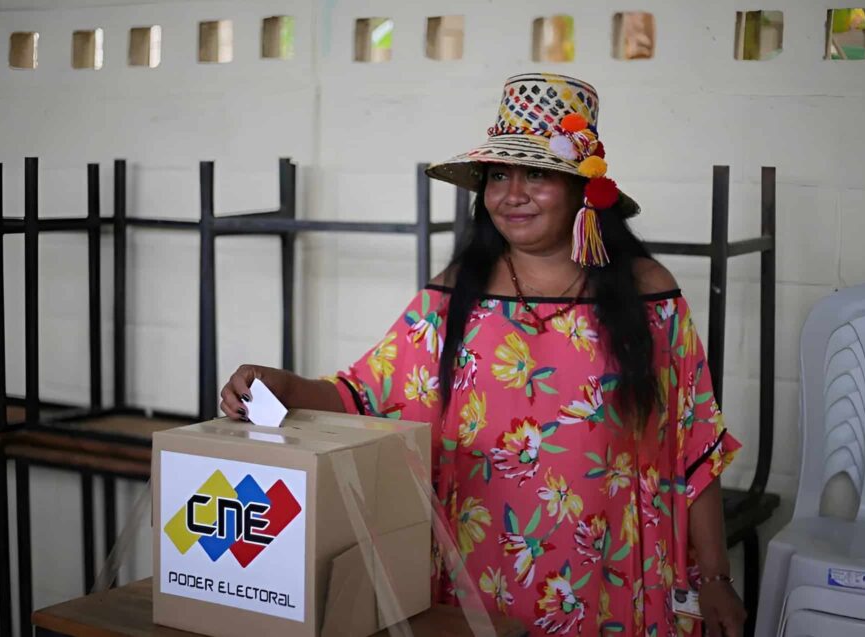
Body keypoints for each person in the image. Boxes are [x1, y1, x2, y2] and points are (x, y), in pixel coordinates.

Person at [220, 73, 745, 637]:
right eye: (498, 176)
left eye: (537, 175)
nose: (511, 195)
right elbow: (366, 394)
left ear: (584, 188)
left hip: (607, 576)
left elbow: (695, 446)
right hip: (476, 570)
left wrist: (714, 579)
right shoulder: (455, 292)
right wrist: (284, 387)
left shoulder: (648, 294)